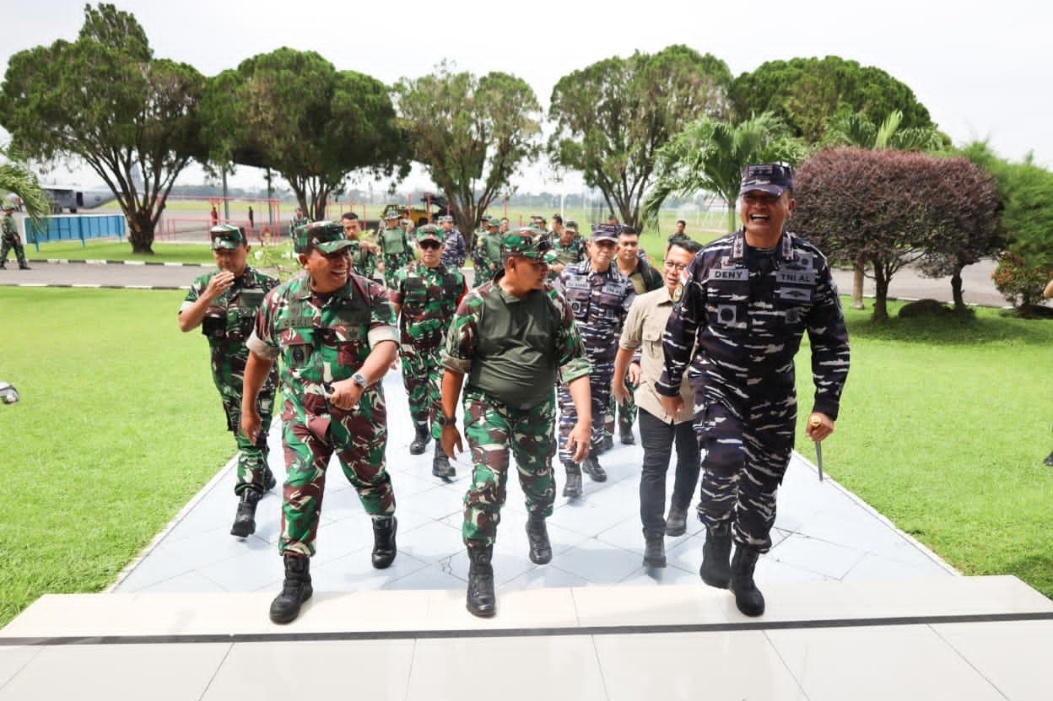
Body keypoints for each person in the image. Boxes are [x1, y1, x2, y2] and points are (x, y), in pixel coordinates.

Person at [657, 163, 850, 617]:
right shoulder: (711, 259)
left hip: (775, 393)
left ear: (789, 205)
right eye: (751, 198)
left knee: (763, 486)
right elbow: (682, 326)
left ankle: (743, 571)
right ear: (741, 204)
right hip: (718, 382)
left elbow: (831, 338)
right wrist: (669, 383)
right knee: (725, 458)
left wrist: (826, 404)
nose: (759, 206)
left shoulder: (810, 263)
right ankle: (716, 534)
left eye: (769, 198)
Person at [241, 221, 401, 624]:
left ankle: (384, 522)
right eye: (331, 254)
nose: (342, 260)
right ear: (305, 260)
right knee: (299, 487)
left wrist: (358, 381)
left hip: (359, 416)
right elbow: (260, 356)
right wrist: (248, 409)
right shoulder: (278, 301)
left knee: (371, 481)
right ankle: (296, 576)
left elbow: (386, 345)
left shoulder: (371, 294)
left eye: (346, 252)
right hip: (302, 415)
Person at [440, 228, 591, 618]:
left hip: (537, 409)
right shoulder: (476, 304)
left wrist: (584, 419)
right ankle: (480, 565)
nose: (545, 270)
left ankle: (537, 520)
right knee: (487, 481)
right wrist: (447, 422)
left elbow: (574, 362)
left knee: (540, 483)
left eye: (546, 264)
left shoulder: (554, 301)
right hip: (487, 405)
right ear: (511, 264)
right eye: (537, 264)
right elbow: (454, 367)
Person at [179, 224, 279, 537]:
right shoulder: (203, 285)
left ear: (246, 250)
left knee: (250, 435)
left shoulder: (267, 286)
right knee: (245, 431)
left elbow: (285, 331)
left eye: (232, 253)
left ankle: (247, 504)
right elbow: (185, 323)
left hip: (261, 377)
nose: (225, 260)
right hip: (225, 378)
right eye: (219, 253)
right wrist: (209, 295)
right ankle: (264, 474)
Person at [613, 236, 703, 567]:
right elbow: (626, 345)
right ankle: (653, 538)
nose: (674, 271)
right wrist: (617, 382)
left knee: (689, 458)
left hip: (693, 402)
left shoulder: (707, 308)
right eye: (670, 263)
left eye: (682, 266)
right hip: (652, 399)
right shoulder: (645, 303)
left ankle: (679, 508)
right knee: (654, 465)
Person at [557, 224, 636, 498]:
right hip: (571, 364)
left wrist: (634, 360)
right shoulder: (568, 275)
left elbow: (631, 326)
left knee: (598, 414)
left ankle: (590, 456)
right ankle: (572, 471)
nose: (604, 249)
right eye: (600, 244)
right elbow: (550, 313)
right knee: (571, 415)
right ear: (589, 246)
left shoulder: (623, 284)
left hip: (603, 364)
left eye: (610, 245)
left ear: (616, 250)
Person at [390, 225, 467, 474]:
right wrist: (389, 346)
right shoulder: (403, 275)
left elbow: (464, 314)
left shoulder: (455, 278)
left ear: (443, 248)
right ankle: (420, 431)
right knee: (416, 396)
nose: (429, 250)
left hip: (442, 351)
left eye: (435, 245)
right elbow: (392, 312)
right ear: (417, 246)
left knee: (441, 400)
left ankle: (441, 456)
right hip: (411, 350)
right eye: (425, 245)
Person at [607, 225, 664, 447]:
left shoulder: (649, 274)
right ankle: (605, 431)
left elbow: (660, 303)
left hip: (636, 339)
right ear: (617, 246)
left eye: (633, 244)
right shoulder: (606, 269)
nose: (630, 248)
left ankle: (626, 425)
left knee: (632, 381)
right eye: (625, 244)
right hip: (608, 336)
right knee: (608, 383)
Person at [378, 210, 414, 287]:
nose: (396, 220)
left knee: (404, 280)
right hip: (389, 260)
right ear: (388, 220)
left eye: (397, 219)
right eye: (394, 219)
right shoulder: (383, 233)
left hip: (401, 258)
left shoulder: (401, 231)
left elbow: (406, 246)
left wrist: (409, 259)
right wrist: (380, 261)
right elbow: (379, 248)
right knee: (390, 281)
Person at [340, 212, 380, 280]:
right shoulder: (338, 248)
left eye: (354, 227)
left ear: (359, 226)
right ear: (342, 229)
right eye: (348, 228)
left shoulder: (366, 248)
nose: (351, 231)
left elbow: (370, 272)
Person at [471, 217, 503, 286]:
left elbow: (501, 249)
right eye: (497, 227)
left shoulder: (499, 236)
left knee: (498, 283)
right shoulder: (484, 237)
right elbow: (481, 251)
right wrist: (489, 262)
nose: (498, 228)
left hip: (498, 264)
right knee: (486, 285)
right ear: (492, 227)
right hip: (487, 265)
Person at [0, 205, 29, 270]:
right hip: (8, 237)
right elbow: (6, 229)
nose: (11, 211)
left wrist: (16, 235)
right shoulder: (5, 219)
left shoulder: (11, 218)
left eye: (12, 210)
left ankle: (22, 265)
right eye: (10, 210)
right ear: (6, 211)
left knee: (19, 250)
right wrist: (13, 235)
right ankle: (1, 264)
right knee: (4, 251)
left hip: (15, 235)